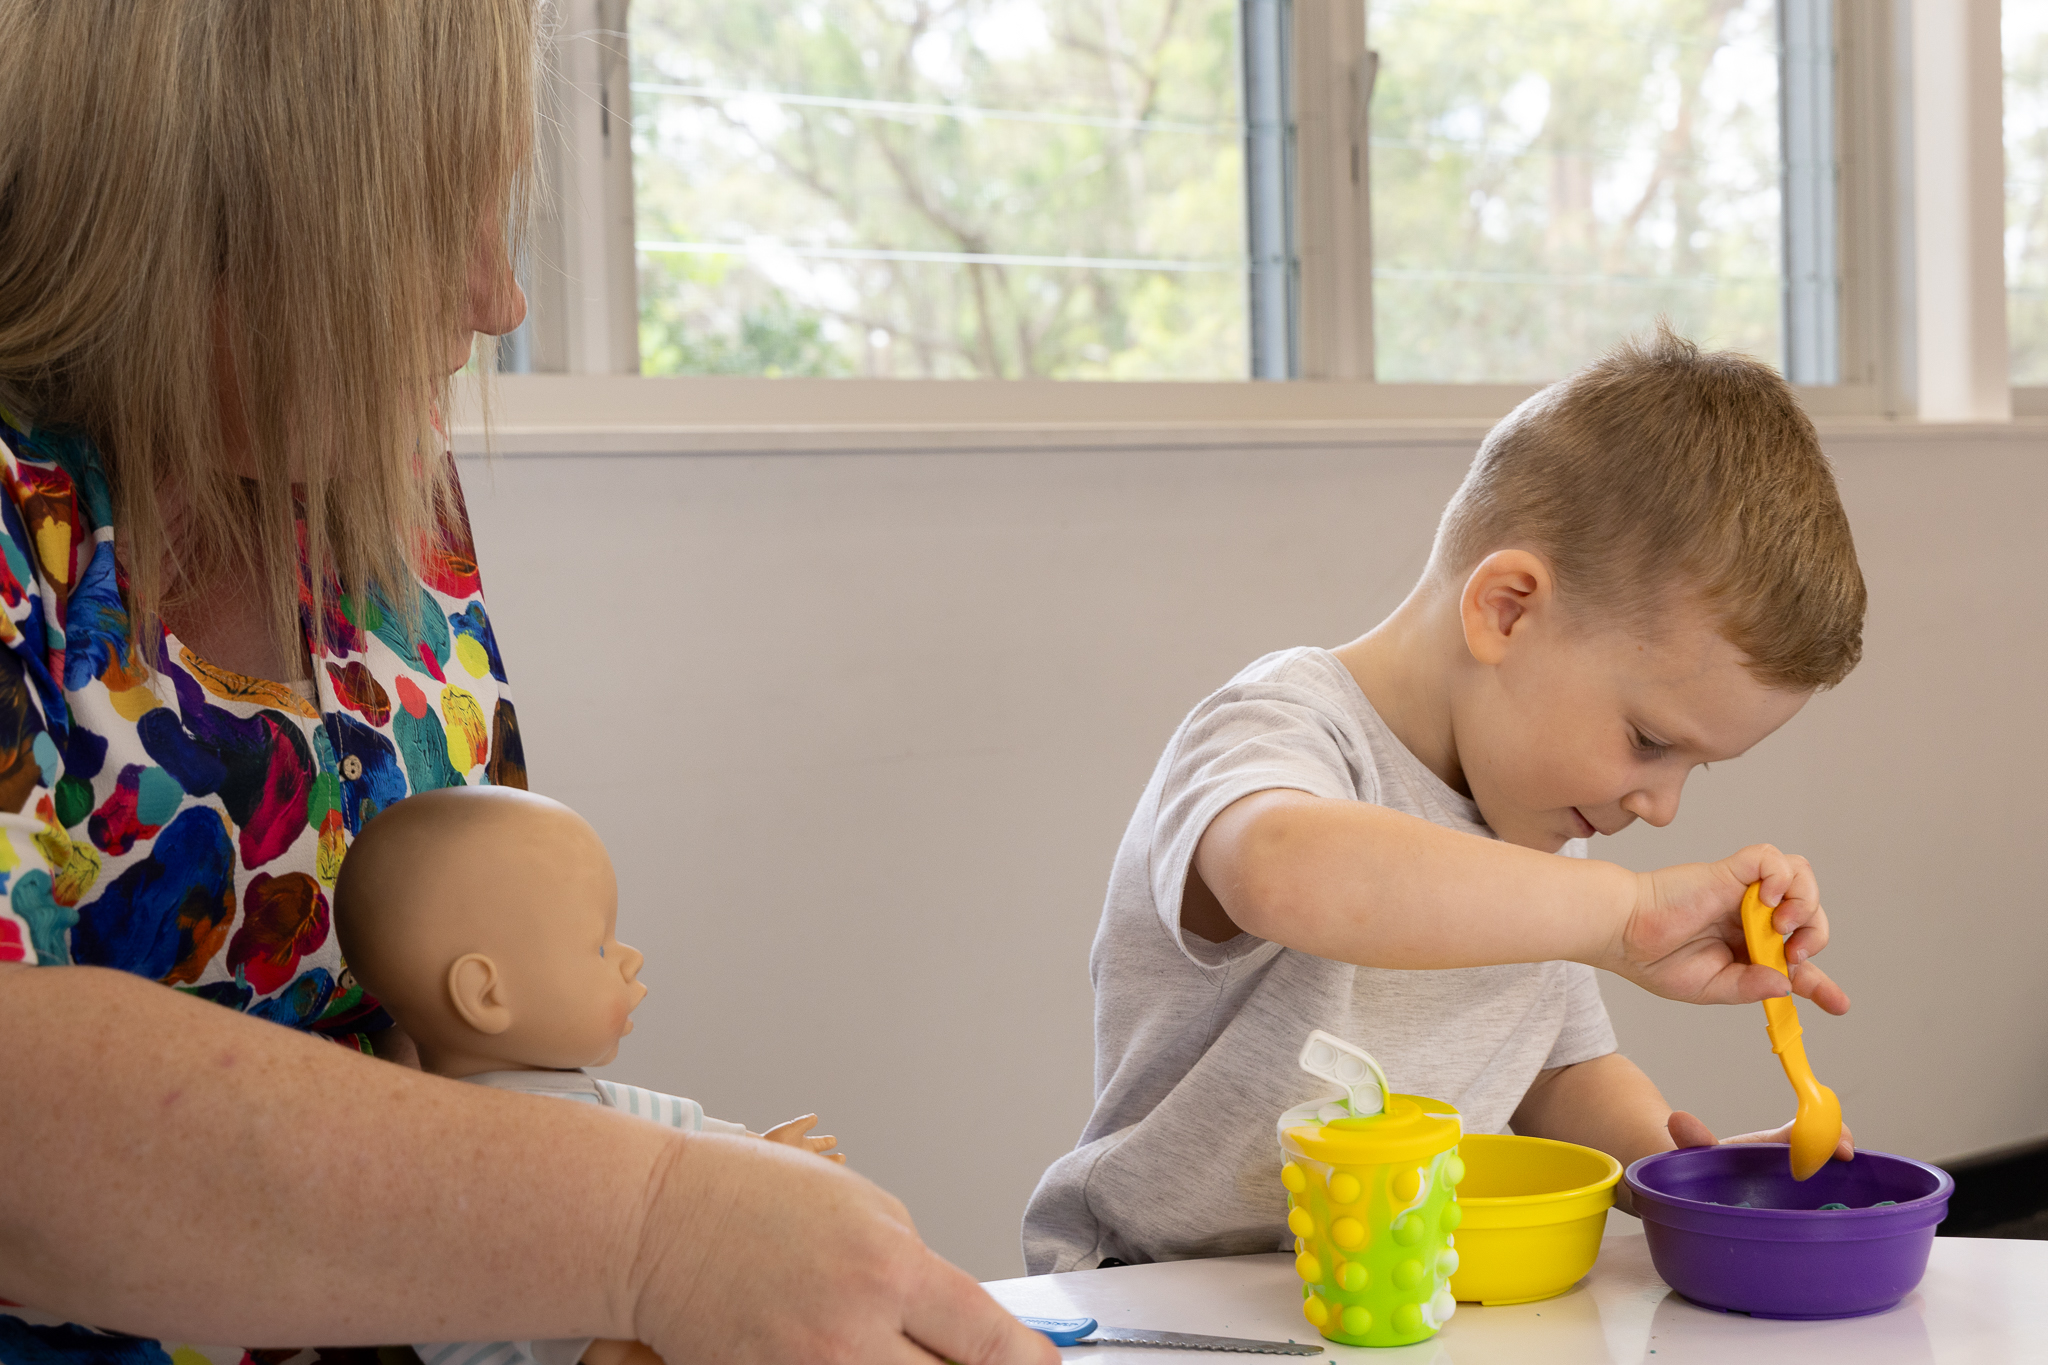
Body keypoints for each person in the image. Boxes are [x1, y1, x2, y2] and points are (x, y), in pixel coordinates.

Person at [0, 6, 1054, 1365]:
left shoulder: (378, 501)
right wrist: (648, 1229)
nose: (498, 300)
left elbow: (461, 1048)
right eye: (432, 221)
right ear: (191, 211)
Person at [1022, 327, 1864, 1274]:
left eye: (1692, 768)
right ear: (1506, 608)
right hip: (1167, 1297)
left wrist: (1672, 1169)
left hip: (1403, 1284)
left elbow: (1554, 1069)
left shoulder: (1536, 820)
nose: (1659, 805)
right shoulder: (1280, 727)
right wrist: (1629, 914)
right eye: (1649, 741)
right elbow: (1287, 871)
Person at [334, 787, 847, 1365]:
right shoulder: (487, 1164)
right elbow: (592, 1337)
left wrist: (759, 1161)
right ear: (486, 992)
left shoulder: (578, 1106)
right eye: (599, 947)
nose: (631, 958)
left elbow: (686, 1145)